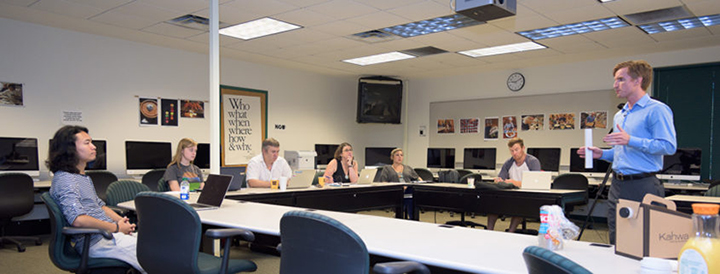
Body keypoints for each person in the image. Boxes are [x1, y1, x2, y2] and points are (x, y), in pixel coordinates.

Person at [579, 60, 676, 245]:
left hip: (643, 185)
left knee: (643, 241)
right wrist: (602, 154)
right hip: (617, 185)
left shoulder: (656, 110)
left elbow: (668, 146)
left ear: (638, 80)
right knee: (618, 238)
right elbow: (620, 151)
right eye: (615, 80)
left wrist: (631, 140)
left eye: (621, 79)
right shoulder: (621, 115)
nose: (615, 85)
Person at [47, 125, 145, 273]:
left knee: (156, 246)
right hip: (95, 241)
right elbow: (78, 219)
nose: (94, 147)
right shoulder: (66, 180)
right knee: (154, 256)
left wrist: (119, 220)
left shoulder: (80, 177)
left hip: (106, 235)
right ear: (70, 149)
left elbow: (100, 206)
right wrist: (117, 228)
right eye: (87, 143)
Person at [488, 137, 541, 232]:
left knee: (518, 205)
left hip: (527, 196)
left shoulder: (532, 162)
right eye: (512, 151)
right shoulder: (509, 163)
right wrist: (499, 180)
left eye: (516, 150)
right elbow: (502, 178)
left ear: (523, 148)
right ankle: (489, 231)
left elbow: (535, 183)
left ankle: (511, 232)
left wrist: (515, 183)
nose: (514, 153)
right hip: (510, 195)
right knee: (493, 203)